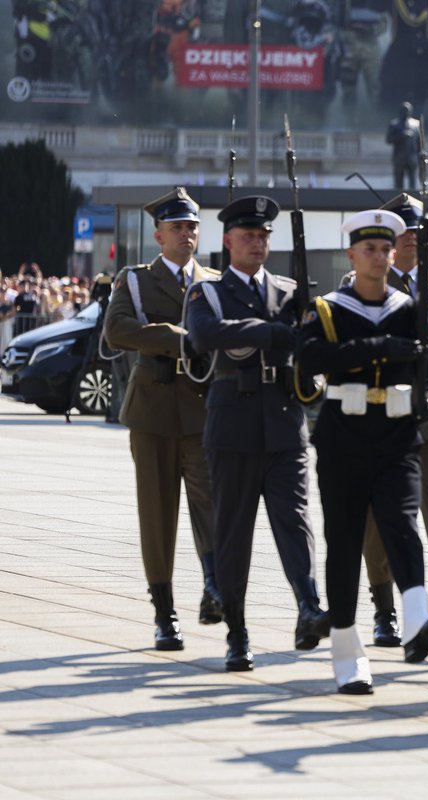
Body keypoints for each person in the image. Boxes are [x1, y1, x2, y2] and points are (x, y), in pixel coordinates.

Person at [299, 209, 428, 693]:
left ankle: (416, 619)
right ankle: (347, 654)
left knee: (402, 525)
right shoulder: (327, 309)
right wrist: (380, 348)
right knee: (344, 544)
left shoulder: (410, 308)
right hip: (344, 435)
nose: (380, 258)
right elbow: (311, 358)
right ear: (351, 255)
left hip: (397, 434)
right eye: (370, 249)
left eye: (387, 249)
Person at [185, 195, 330, 672]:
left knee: (296, 521)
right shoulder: (206, 292)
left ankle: (309, 605)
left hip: (285, 424)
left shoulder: (291, 292)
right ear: (228, 242)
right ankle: (237, 631)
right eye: (248, 236)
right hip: (233, 426)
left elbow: (316, 346)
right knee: (234, 534)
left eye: (264, 236)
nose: (257, 243)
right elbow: (206, 336)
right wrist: (268, 333)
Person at [102, 188, 223, 651]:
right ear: (159, 235)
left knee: (211, 504)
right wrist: (174, 337)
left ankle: (214, 586)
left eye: (192, 226)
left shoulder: (213, 280)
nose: (187, 234)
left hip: (201, 409)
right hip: (152, 411)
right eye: (178, 227)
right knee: (157, 515)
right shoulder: (135, 281)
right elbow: (118, 330)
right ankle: (164, 612)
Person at [355, 193, 428, 648]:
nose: (412, 239)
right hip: (379, 417)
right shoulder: (359, 282)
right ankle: (384, 611)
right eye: (404, 233)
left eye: (418, 232)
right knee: (378, 521)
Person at [386, 102, 421, 190]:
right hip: (399, 158)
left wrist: (420, 156)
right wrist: (401, 136)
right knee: (398, 184)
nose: (406, 112)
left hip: (412, 158)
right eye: (404, 110)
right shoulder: (394, 124)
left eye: (408, 110)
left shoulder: (416, 124)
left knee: (413, 184)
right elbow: (388, 140)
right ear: (400, 111)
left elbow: (419, 142)